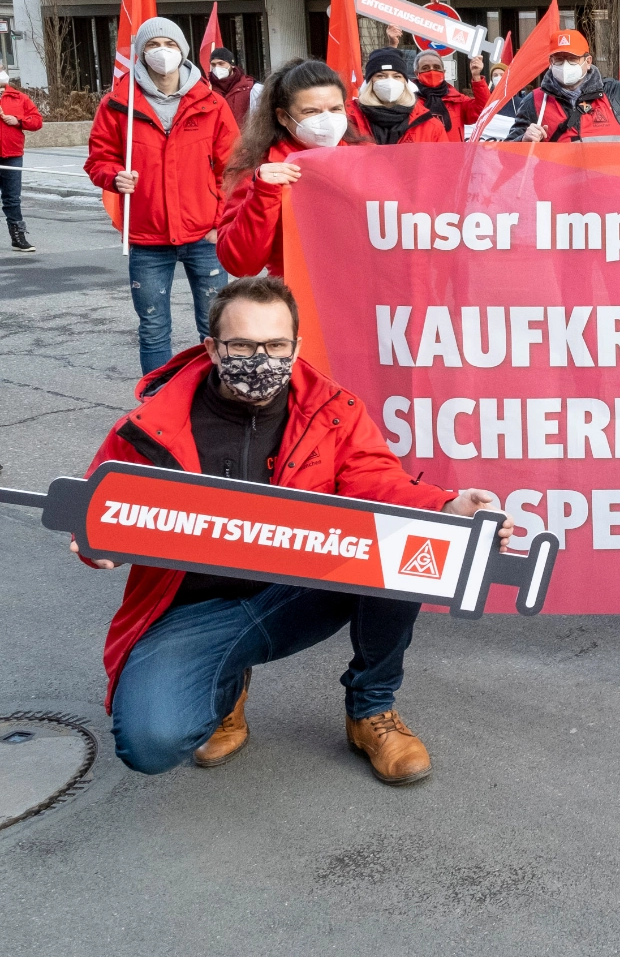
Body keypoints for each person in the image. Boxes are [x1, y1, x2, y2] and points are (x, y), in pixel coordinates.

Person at [72, 275, 511, 783]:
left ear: (296, 347)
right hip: (198, 610)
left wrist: (449, 505)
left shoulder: (331, 411)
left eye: (276, 346)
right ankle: (225, 685)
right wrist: (96, 545)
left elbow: (378, 482)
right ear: (213, 348)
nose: (261, 360)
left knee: (410, 543)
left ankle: (371, 708)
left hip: (302, 587)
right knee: (151, 743)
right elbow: (97, 516)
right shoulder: (151, 427)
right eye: (242, 345)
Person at [86, 17, 239, 375]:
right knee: (154, 330)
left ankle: (219, 400)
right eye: (153, 46)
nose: (162, 53)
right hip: (147, 236)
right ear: (141, 53)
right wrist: (113, 176)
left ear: (183, 51)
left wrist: (219, 221)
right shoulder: (116, 105)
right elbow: (97, 160)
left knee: (217, 329)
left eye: (169, 45)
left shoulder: (211, 103)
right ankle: (157, 406)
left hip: (205, 235)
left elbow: (232, 168)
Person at [216, 59, 366, 278]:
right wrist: (263, 194)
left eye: (335, 109)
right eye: (311, 111)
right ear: (283, 117)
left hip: (362, 296)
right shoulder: (261, 168)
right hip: (296, 298)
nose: (327, 119)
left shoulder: (366, 158)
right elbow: (240, 264)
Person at [507, 28, 620, 143]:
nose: (565, 65)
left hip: (613, 203)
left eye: (572, 59)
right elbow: (504, 156)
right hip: (558, 204)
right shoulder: (535, 101)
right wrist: (522, 140)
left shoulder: (616, 93)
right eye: (559, 59)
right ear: (550, 62)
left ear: (588, 61)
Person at [1, 61, 43, 252]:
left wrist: (18, 121)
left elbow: (36, 121)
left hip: (12, 154)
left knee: (12, 198)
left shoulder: (18, 98)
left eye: (1, 69)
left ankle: (18, 236)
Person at [347, 48, 420, 145]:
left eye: (397, 76)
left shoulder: (426, 121)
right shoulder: (348, 118)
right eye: (381, 76)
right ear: (370, 82)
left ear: (405, 82)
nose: (390, 82)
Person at [206, 47, 257, 129]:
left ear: (232, 65)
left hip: (245, 139)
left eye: (221, 63)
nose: (217, 68)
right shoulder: (208, 90)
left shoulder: (251, 87)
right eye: (213, 65)